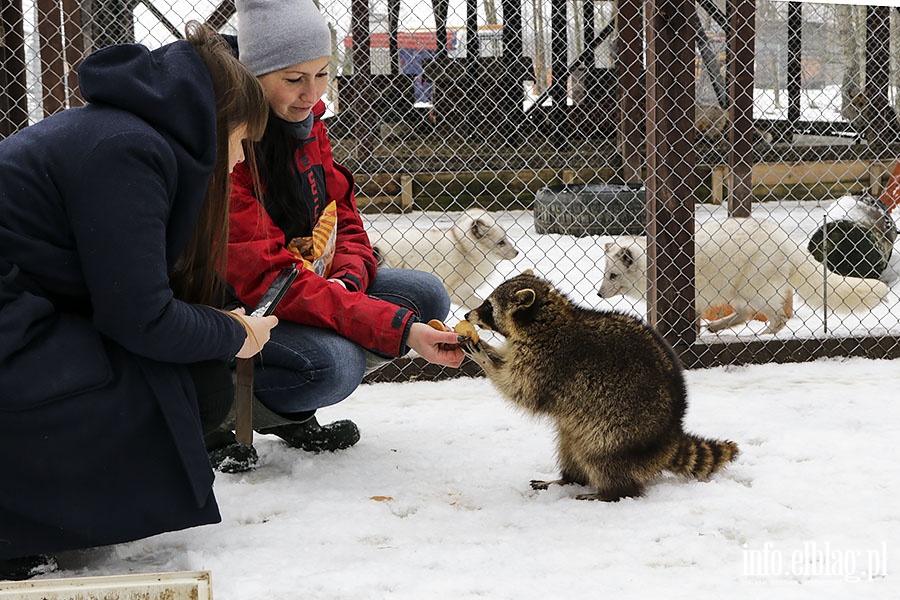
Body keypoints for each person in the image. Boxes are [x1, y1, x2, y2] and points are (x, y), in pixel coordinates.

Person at [0, 23, 276, 580]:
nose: (241, 162)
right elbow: (142, 318)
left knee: (188, 374)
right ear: (210, 121)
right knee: (189, 384)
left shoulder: (121, 135)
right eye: (241, 142)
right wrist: (235, 334)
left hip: (22, 318)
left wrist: (213, 320)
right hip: (12, 335)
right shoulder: (128, 150)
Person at [218, 0, 465, 455]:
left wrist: (350, 276)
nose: (311, 94)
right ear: (252, 77)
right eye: (294, 79)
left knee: (426, 294)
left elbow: (343, 215)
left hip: (306, 280)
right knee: (335, 365)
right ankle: (217, 414)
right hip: (239, 306)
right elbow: (270, 281)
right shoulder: (230, 145)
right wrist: (401, 330)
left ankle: (288, 410)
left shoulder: (308, 124)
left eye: (322, 73)